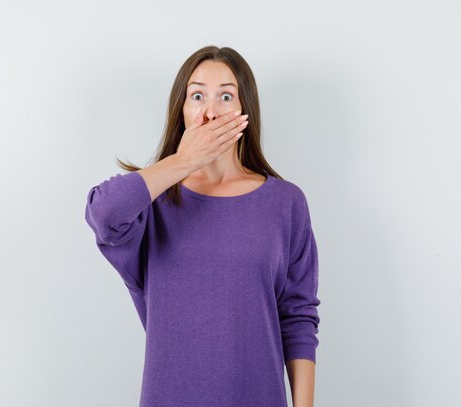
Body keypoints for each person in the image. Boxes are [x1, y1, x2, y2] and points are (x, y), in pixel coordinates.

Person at [84, 45, 321, 407]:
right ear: (181, 109)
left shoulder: (285, 203)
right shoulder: (150, 202)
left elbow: (298, 316)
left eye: (226, 96)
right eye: (197, 96)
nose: (210, 112)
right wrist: (184, 160)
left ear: (245, 111)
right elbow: (103, 215)